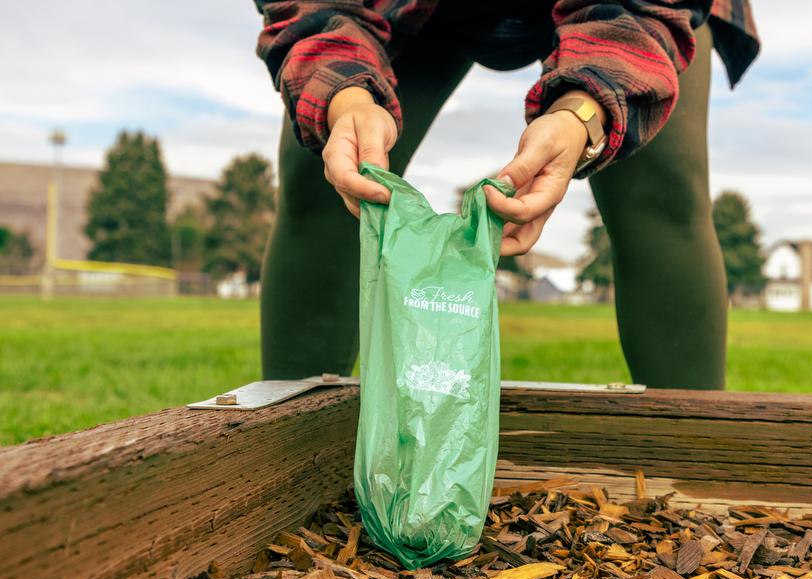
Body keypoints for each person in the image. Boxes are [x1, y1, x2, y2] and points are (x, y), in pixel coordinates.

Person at [253, 0, 759, 390]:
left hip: (627, 9)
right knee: (329, 169)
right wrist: (345, 97)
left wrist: (583, 113)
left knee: (660, 190)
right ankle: (284, 450)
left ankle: (694, 470)